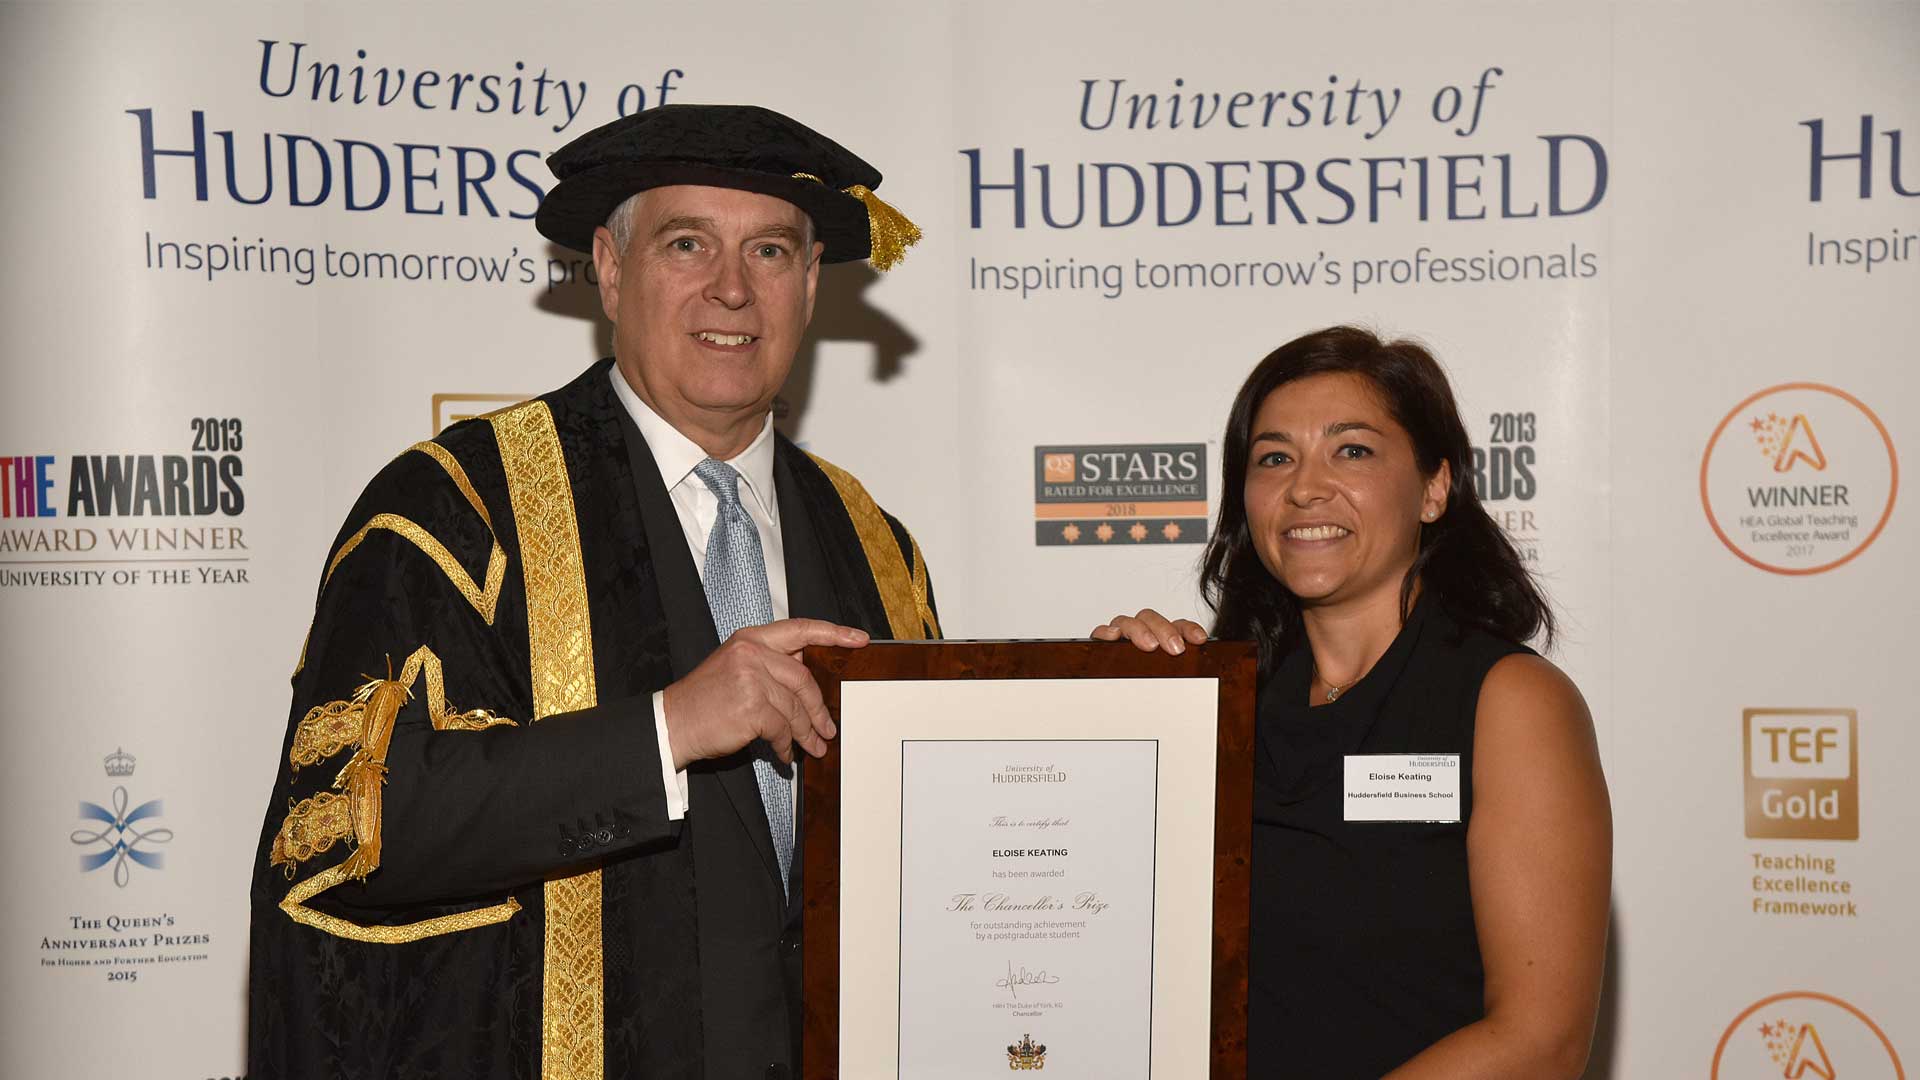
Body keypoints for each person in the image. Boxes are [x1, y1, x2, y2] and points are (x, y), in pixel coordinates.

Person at [247, 104, 939, 1080]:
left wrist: (1121, 696)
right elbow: (344, 840)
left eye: (772, 252)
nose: (733, 289)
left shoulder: (876, 545)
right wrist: (665, 732)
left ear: (812, 281)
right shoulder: (456, 513)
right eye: (687, 243)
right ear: (610, 271)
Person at [1094, 326, 1610, 1078]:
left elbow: (1540, 1042)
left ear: (1435, 488)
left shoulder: (1511, 704)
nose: (1305, 487)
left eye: (1353, 450)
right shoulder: (1213, 704)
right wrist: (1102, 711)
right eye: (1274, 458)